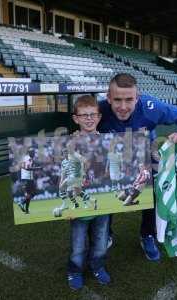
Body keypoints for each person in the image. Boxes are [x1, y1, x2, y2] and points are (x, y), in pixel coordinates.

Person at [98, 73, 177, 261]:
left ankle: (147, 234)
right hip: (112, 157)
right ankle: (105, 234)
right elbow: (77, 124)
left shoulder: (151, 107)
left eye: (129, 99)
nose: (123, 106)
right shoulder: (99, 110)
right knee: (106, 195)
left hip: (145, 155)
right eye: (117, 99)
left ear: (138, 97)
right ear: (108, 98)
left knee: (151, 195)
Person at [66, 95, 111, 290]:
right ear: (75, 118)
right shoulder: (69, 142)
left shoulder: (108, 140)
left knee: (101, 241)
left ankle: (97, 266)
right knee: (78, 245)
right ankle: (75, 270)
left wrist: (139, 140)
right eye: (84, 115)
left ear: (99, 117)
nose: (89, 118)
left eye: (93, 114)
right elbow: (65, 172)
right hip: (79, 204)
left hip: (102, 203)